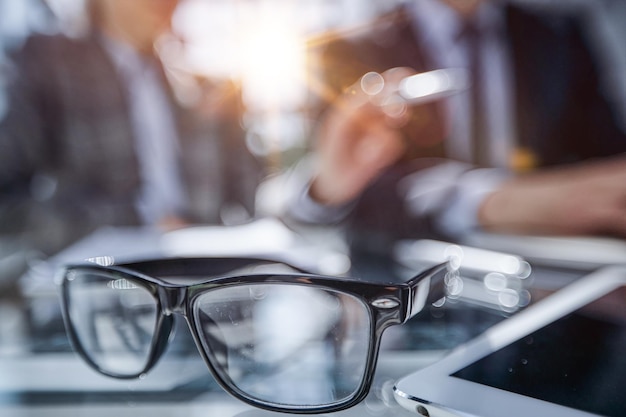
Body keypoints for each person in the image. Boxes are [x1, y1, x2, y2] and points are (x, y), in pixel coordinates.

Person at [286, 0, 626, 257]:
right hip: (418, 291)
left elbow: (606, 156)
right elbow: (346, 189)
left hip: (560, 271)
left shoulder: (558, 35)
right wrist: (490, 201)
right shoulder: (348, 47)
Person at [0, 0, 263, 262]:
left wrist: (303, 194)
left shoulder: (205, 85)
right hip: (99, 280)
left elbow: (258, 198)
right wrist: (134, 222)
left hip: (200, 281)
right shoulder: (49, 65)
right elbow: (8, 198)